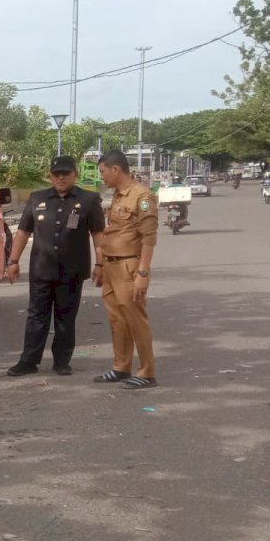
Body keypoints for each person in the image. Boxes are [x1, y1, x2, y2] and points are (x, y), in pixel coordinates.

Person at [5, 156, 106, 377]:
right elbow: (23, 232)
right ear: (50, 175)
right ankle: (28, 361)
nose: (60, 178)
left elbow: (98, 233)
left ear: (75, 174)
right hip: (41, 269)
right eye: (56, 174)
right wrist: (12, 261)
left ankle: (62, 361)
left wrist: (100, 263)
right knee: (36, 316)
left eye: (65, 173)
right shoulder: (36, 198)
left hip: (72, 270)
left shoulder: (89, 200)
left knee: (65, 317)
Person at [94, 150, 159, 389]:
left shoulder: (142, 196)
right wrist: (100, 264)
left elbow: (149, 238)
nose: (101, 177)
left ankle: (147, 371)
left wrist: (143, 273)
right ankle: (121, 366)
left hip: (129, 266)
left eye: (102, 171)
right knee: (117, 320)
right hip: (111, 266)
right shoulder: (119, 196)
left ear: (115, 169)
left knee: (135, 319)